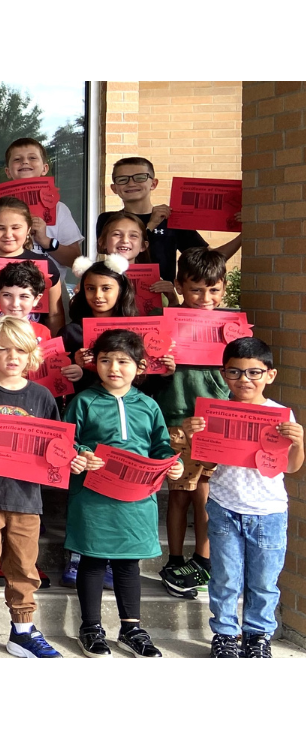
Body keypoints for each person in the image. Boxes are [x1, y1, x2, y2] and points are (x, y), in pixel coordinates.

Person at [64, 329, 183, 658]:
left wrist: (173, 465)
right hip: (93, 496)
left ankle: (131, 628)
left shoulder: (148, 406)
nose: (113, 368)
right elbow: (67, 441)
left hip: (136, 498)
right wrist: (81, 454)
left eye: (122, 362)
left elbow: (161, 446)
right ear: (95, 364)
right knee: (92, 560)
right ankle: (91, 627)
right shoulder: (83, 401)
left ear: (140, 366)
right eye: (105, 361)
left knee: (129, 564)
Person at [0, 316, 69, 658]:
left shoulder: (42, 395)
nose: (12, 356)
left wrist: (72, 458)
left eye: (20, 349)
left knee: (23, 565)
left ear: (32, 353)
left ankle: (22, 630)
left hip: (27, 497)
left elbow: (57, 449)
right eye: (3, 349)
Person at [183, 337, 303, 658]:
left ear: (270, 375)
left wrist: (300, 442)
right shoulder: (216, 414)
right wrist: (197, 438)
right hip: (224, 506)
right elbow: (208, 464)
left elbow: (290, 466)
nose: (244, 380)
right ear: (224, 375)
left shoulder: (280, 415)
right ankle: (224, 634)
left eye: (253, 372)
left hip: (269, 510)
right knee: (224, 576)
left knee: (264, 580)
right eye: (234, 373)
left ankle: (258, 635)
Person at [142, 247, 232, 597]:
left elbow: (237, 375)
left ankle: (203, 560)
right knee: (179, 492)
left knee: (206, 493)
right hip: (176, 420)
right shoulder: (167, 323)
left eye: (214, 290)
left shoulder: (230, 326)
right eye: (196, 289)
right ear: (180, 285)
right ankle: (174, 558)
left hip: (214, 421)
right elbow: (148, 376)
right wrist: (164, 369)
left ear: (223, 288)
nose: (205, 298)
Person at [96, 156, 241, 285]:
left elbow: (211, 260)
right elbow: (124, 254)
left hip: (163, 299)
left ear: (153, 184)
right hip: (117, 295)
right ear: (114, 188)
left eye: (140, 177)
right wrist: (151, 225)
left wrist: (244, 234)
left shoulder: (173, 220)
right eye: (123, 179)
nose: (131, 183)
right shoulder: (108, 220)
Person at [0, 138, 84, 269]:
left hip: (48, 285)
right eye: (17, 159)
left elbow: (75, 260)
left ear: (45, 168)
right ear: (8, 172)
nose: (25, 162)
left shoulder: (59, 209)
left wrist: (45, 241)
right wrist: (8, 244)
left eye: (32, 158)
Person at [0, 196, 64, 334]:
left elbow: (55, 315)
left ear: (28, 230)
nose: (8, 234)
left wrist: (54, 350)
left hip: (32, 345)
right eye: (0, 228)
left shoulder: (45, 266)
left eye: (16, 227)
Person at [58, 255, 145, 402]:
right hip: (85, 409)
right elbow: (59, 380)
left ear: (121, 290)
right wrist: (75, 364)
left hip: (129, 408)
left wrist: (163, 371)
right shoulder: (71, 333)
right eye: (91, 288)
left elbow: (146, 384)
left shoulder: (136, 331)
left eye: (106, 288)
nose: (98, 295)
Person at [95, 210, 169, 311]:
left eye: (133, 236)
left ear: (143, 246)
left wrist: (172, 298)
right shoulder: (91, 278)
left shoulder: (154, 281)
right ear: (102, 242)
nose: (125, 240)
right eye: (117, 234)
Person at [0, 260, 54, 341]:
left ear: (36, 299)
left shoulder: (43, 332)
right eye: (7, 295)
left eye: (24, 296)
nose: (15, 304)